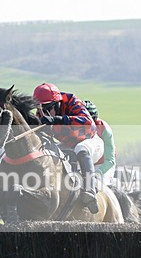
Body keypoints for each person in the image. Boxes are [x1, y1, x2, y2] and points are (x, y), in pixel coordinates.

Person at [33, 82, 103, 213]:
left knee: (81, 149)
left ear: (57, 103)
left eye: (47, 108)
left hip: (91, 140)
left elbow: (88, 123)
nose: (43, 113)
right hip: (68, 143)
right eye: (40, 109)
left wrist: (57, 120)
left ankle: (90, 190)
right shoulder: (41, 112)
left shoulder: (72, 101)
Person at [82, 100, 116, 182]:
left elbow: (110, 161)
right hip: (83, 162)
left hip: (102, 163)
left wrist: (97, 174)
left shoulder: (105, 130)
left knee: (98, 186)